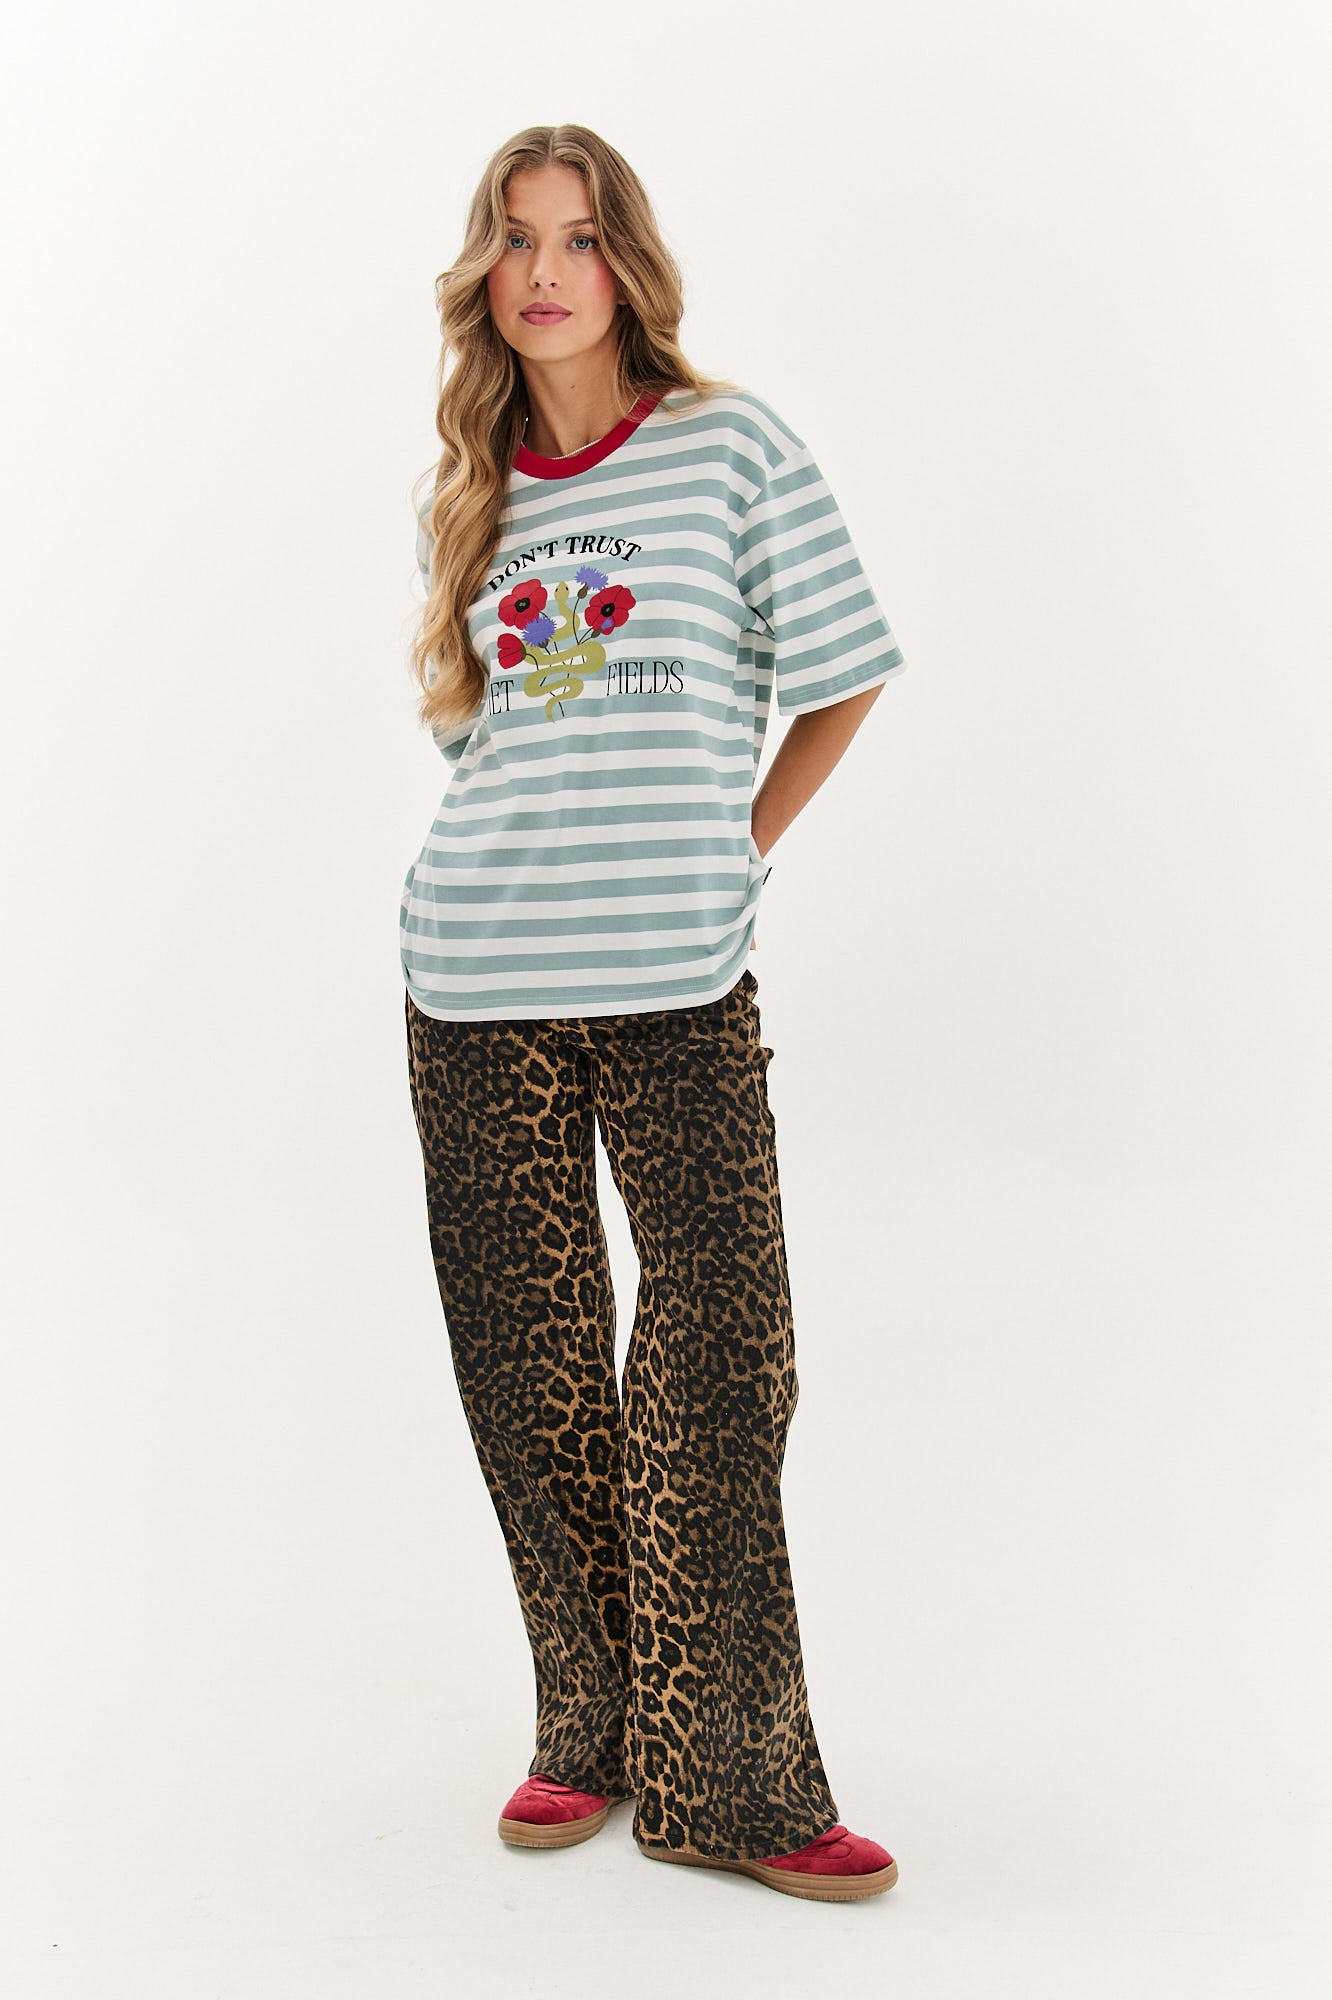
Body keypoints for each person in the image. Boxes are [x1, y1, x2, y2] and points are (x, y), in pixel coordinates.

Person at [401, 125, 907, 1906]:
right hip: (476, 984)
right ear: (486, 274)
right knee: (530, 1376)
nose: (547, 273)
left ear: (627, 266)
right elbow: (489, 752)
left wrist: (734, 847)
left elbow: (845, 676)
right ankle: (591, 1722)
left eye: (580, 238)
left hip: (680, 981)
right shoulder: (471, 489)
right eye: (516, 240)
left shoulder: (729, 449)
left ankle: (734, 1781)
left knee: (720, 1362)